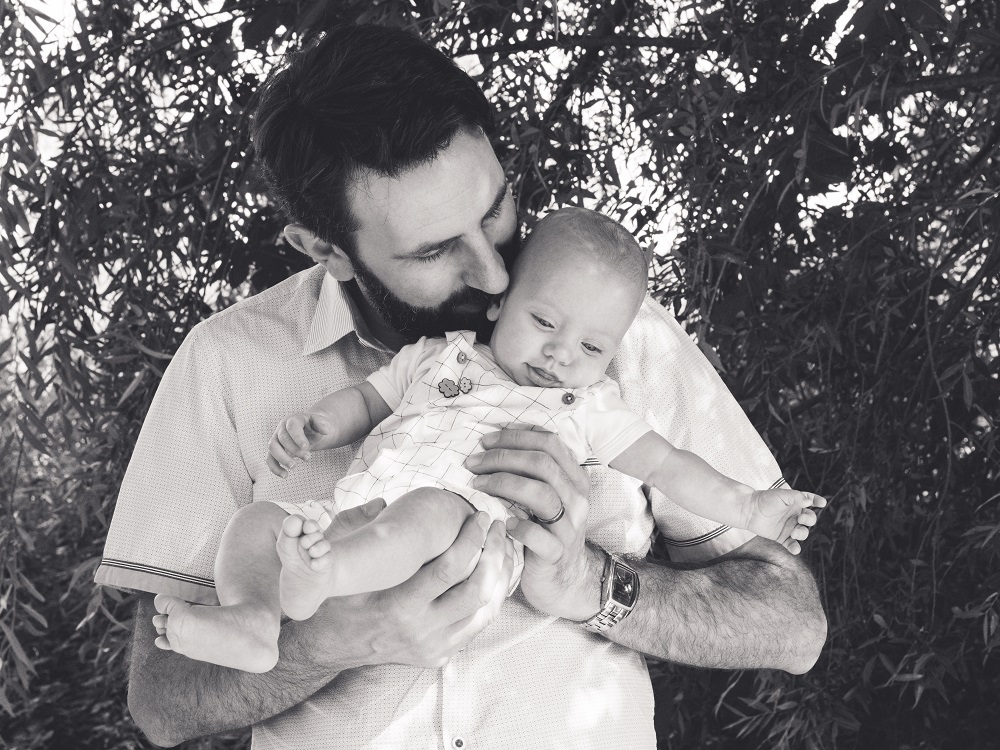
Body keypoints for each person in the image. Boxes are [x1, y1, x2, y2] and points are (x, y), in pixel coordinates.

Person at [98, 23, 827, 749]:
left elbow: (792, 623)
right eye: (437, 249)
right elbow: (161, 701)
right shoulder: (227, 361)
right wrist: (324, 644)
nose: (496, 274)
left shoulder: (615, 338)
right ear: (327, 250)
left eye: (495, 210)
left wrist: (590, 586)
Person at [148, 207, 826, 674]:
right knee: (256, 522)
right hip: (354, 513)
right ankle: (254, 620)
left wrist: (746, 506)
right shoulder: (440, 356)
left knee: (429, 515)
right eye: (544, 322)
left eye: (591, 345)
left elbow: (671, 465)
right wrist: (317, 425)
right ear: (501, 301)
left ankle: (321, 577)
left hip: (462, 531)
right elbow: (369, 399)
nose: (561, 355)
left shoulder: (587, 404)